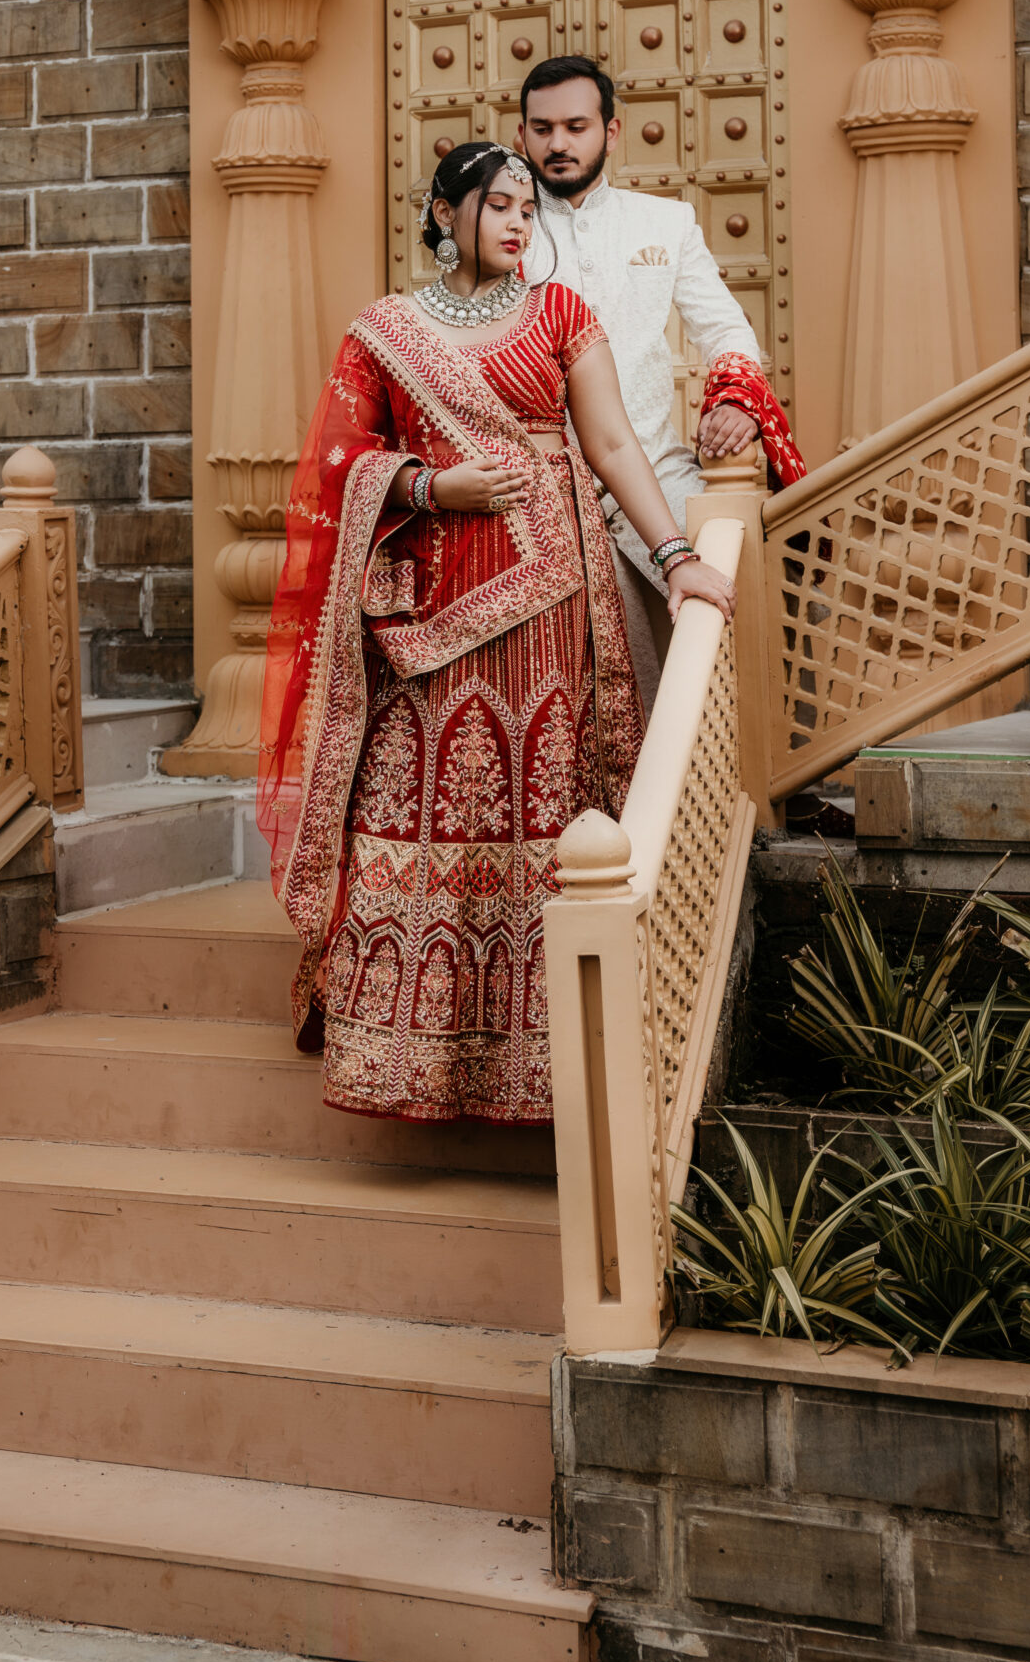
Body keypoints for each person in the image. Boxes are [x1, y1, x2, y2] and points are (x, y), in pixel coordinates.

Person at [257, 139, 737, 1125]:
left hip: (552, 605)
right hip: (427, 616)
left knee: (547, 799)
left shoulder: (561, 313)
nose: (521, 223)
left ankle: (552, 1056)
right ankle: (410, 1055)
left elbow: (611, 444)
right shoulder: (384, 331)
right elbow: (338, 465)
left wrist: (676, 555)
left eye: (528, 208)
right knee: (425, 801)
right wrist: (432, 486)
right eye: (500, 205)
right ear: (445, 213)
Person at [517, 54, 805, 706]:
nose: (558, 143)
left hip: (655, 467)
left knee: (742, 581)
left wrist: (736, 401)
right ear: (521, 135)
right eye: (542, 129)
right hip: (545, 484)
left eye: (575, 127)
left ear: (610, 132)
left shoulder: (663, 224)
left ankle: (757, 755)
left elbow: (726, 329)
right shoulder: (507, 225)